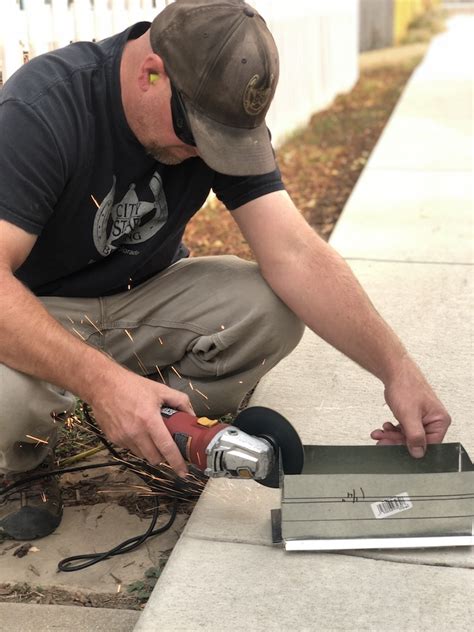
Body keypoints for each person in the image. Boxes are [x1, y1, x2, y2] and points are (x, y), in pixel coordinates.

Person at [0, 0, 450, 541]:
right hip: (40, 310)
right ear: (151, 73)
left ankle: (164, 425)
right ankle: (28, 463)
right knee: (8, 398)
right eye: (199, 136)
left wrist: (396, 368)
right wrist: (102, 382)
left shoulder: (213, 108)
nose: (204, 152)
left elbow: (296, 255)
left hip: (145, 297)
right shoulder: (43, 110)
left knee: (269, 312)